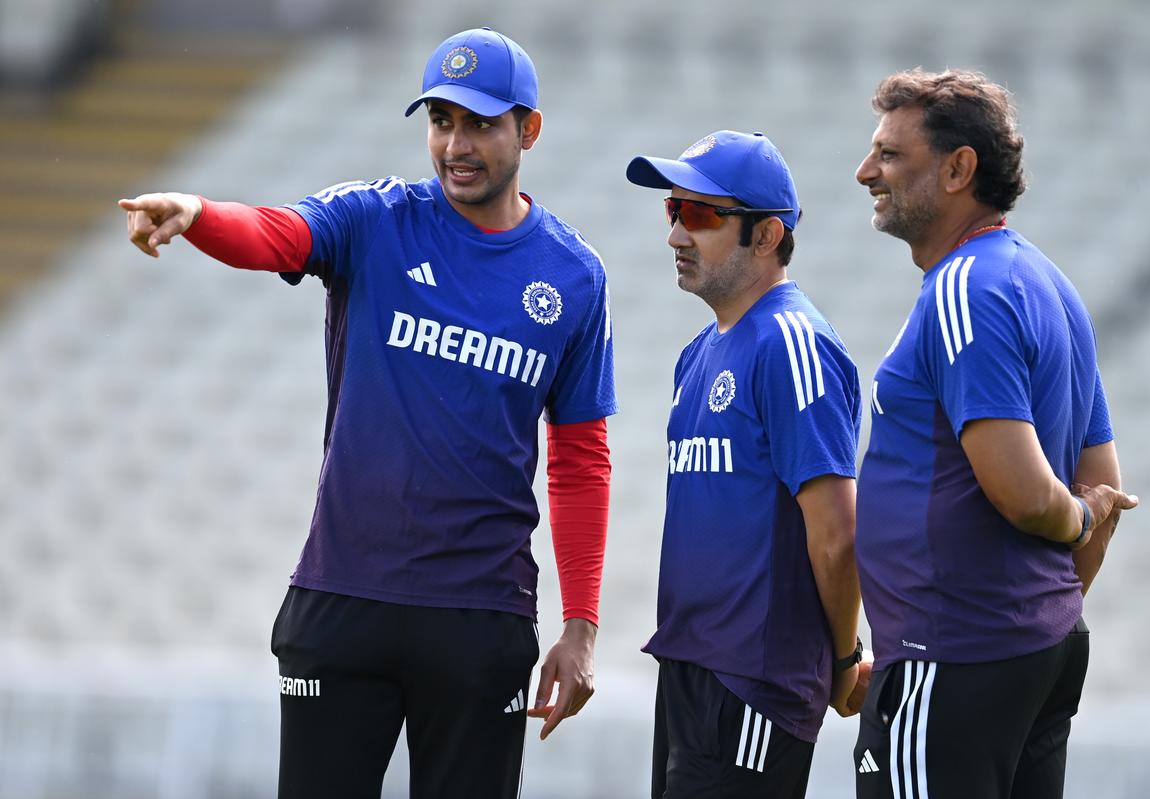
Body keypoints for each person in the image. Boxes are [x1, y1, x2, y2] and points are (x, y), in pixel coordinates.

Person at [118, 27, 617, 799]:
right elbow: (277, 235)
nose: (456, 144)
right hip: (345, 600)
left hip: (480, 617)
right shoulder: (374, 218)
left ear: (530, 130)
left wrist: (580, 625)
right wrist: (198, 212)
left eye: (481, 124)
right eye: (441, 120)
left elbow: (580, 462)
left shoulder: (574, 276)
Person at [851, 68, 1139, 799]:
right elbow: (1104, 479)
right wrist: (1035, 617)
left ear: (958, 169)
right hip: (1029, 648)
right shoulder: (1052, 286)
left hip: (952, 651)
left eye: (890, 154)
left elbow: (1034, 495)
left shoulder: (965, 287)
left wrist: (1075, 521)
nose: (866, 172)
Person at [626, 131, 865, 798]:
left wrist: (846, 657)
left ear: (766, 235)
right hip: (690, 671)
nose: (676, 234)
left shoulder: (793, 344)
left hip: (753, 683)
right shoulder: (697, 352)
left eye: (700, 214)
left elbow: (837, 533)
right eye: (673, 209)